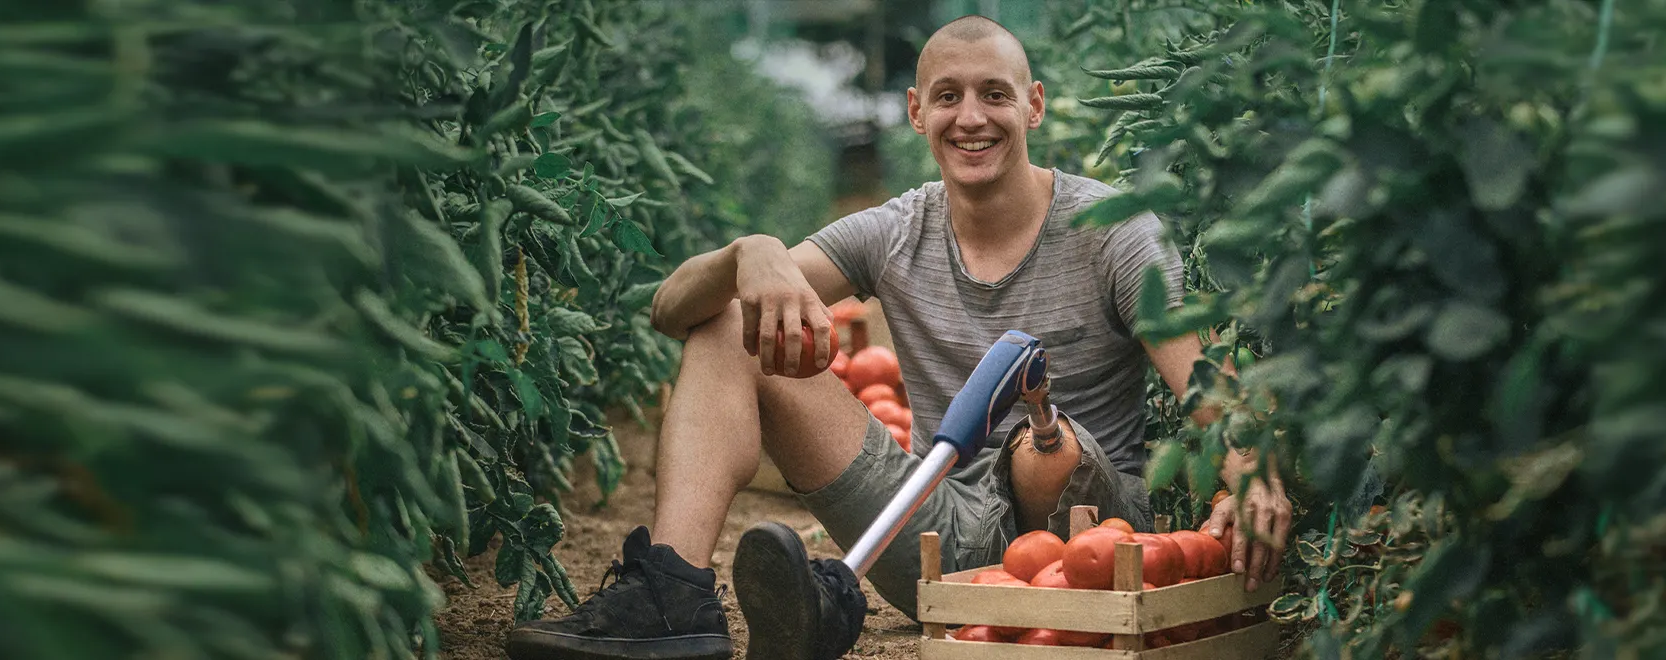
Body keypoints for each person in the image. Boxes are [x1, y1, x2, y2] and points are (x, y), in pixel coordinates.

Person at [503, 14, 1295, 660]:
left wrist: (1253, 473)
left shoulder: (1111, 230)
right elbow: (672, 309)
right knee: (725, 322)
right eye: (947, 96)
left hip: (1086, 538)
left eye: (995, 94)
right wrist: (751, 255)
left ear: (1035, 105)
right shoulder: (895, 231)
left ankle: (1029, 581)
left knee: (1036, 445)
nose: (972, 116)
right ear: (917, 113)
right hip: (931, 526)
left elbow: (1200, 382)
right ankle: (671, 597)